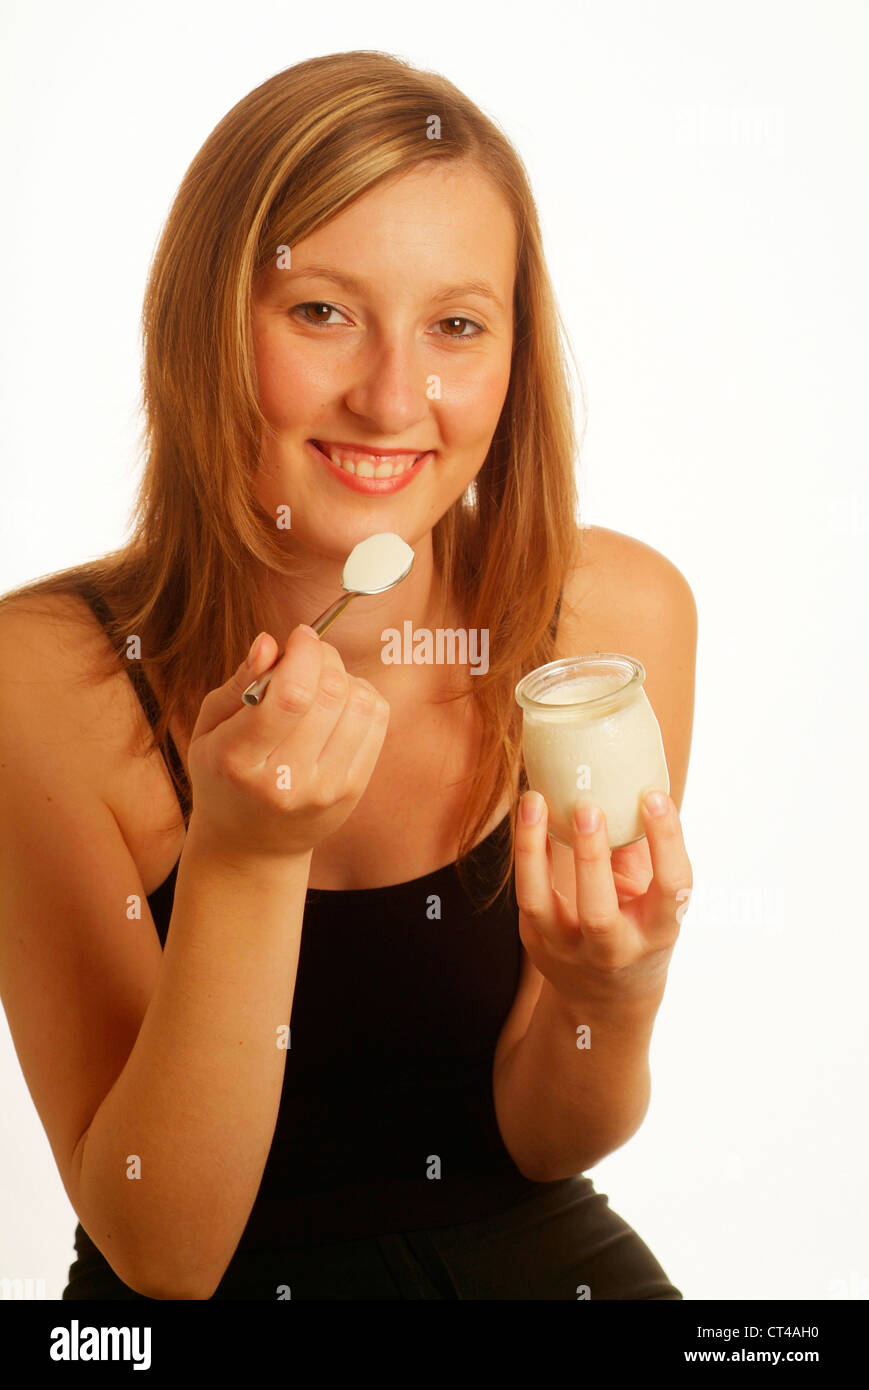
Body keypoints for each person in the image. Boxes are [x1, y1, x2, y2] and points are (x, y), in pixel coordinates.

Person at [0, 50, 696, 1300]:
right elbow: (162, 1250)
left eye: (456, 326)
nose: (392, 398)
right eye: (320, 310)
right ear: (207, 321)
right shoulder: (38, 683)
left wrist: (612, 989)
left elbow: (550, 1137)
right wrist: (248, 857)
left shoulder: (602, 621)